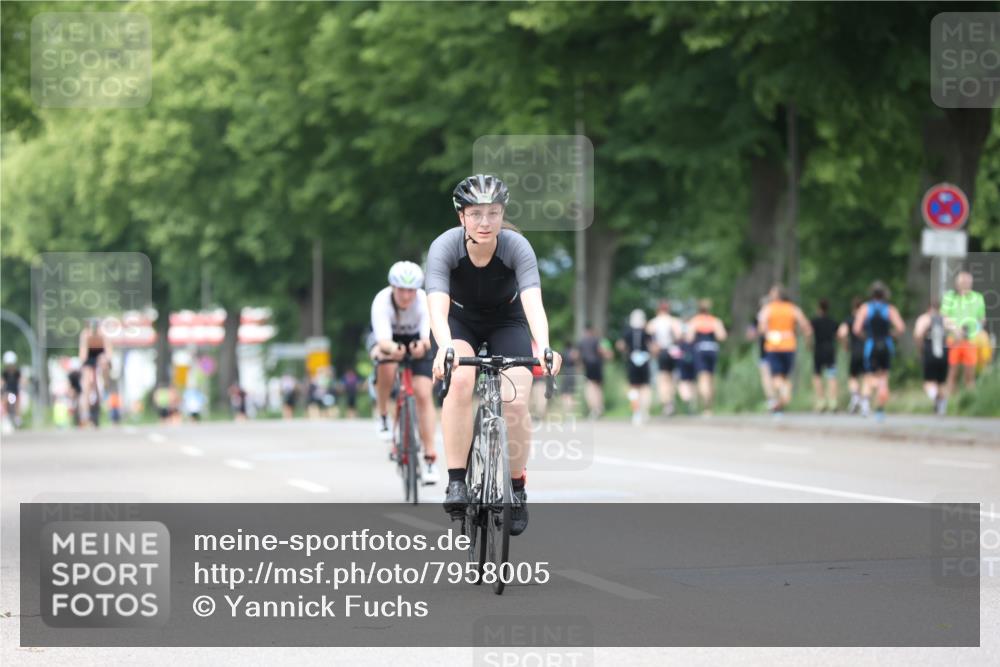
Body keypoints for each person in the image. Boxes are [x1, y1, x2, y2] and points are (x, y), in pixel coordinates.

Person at [427, 174, 561, 536]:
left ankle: (516, 487)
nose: (485, 222)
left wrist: (544, 346)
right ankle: (457, 480)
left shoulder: (517, 247)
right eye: (475, 214)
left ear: (503, 215)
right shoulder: (444, 247)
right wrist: (446, 347)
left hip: (507, 321)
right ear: (462, 217)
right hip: (458, 322)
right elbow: (436, 308)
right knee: (460, 381)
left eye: (493, 213)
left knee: (515, 400)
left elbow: (533, 302)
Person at [369, 260, 438, 484]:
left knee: (423, 393)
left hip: (418, 340)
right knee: (386, 364)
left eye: (411, 290)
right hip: (388, 339)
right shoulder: (382, 301)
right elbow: (382, 341)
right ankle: (382, 414)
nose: (406, 296)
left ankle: (430, 458)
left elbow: (428, 337)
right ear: (393, 287)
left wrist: (422, 346)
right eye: (401, 290)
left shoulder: (424, 301)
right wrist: (393, 349)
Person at [852, 281, 906, 421]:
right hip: (886, 345)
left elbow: (856, 329)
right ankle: (880, 410)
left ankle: (866, 402)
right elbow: (901, 328)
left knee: (869, 376)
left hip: (871, 345)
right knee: (884, 377)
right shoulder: (890, 309)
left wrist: (866, 336)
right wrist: (891, 334)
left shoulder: (865, 308)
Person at [759, 285, 812, 415]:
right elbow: (806, 326)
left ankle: (783, 392)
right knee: (785, 376)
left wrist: (769, 333)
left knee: (776, 377)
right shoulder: (793, 309)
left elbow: (762, 328)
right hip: (789, 345)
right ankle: (782, 400)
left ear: (776, 296)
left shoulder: (768, 309)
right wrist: (807, 341)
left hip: (773, 346)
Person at [941, 270, 987, 395]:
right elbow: (944, 317)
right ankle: (949, 399)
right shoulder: (950, 296)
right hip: (954, 340)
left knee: (970, 373)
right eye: (963, 280)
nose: (966, 283)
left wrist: (976, 331)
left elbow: (982, 320)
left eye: (968, 280)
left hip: (971, 340)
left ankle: (970, 398)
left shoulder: (978, 297)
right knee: (952, 371)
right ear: (957, 282)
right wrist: (955, 329)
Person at [686, 299, 727, 415]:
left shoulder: (695, 321)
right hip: (712, 349)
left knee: (703, 378)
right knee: (711, 378)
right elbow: (722, 336)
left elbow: (689, 338)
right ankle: (710, 406)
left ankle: (705, 404)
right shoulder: (715, 321)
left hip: (700, 350)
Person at [616, 309, 653, 425]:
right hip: (645, 360)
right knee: (645, 387)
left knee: (633, 388)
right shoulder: (646, 331)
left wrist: (626, 352)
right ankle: (645, 411)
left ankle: (636, 412)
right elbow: (652, 346)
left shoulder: (627, 332)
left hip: (632, 360)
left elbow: (621, 345)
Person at [913, 300, 950, 415]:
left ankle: (936, 397)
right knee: (941, 382)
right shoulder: (945, 319)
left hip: (929, 352)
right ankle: (942, 405)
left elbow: (918, 334)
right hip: (943, 353)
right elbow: (958, 334)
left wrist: (920, 349)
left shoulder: (924, 319)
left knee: (928, 382)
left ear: (928, 308)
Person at [647, 300, 682, 415]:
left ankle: (666, 404)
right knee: (672, 378)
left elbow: (648, 338)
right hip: (672, 350)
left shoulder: (654, 322)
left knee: (663, 379)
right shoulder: (673, 321)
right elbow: (679, 336)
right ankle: (670, 402)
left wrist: (654, 348)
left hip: (661, 351)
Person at [78, 319, 111, 427]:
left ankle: (104, 388)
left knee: (104, 368)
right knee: (86, 385)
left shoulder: (103, 335)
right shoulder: (85, 334)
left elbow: (108, 351)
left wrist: (106, 361)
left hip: (100, 358)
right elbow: (83, 352)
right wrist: (83, 364)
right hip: (89, 358)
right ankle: (85, 414)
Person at [809, 299, 840, 412]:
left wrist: (809, 345)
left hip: (818, 350)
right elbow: (839, 335)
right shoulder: (833, 322)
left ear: (819, 309)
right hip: (830, 350)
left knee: (817, 376)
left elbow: (808, 332)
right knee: (832, 376)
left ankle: (821, 401)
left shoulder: (814, 321)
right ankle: (833, 402)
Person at [837, 296, 865, 413]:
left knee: (853, 376)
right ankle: (864, 402)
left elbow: (841, 333)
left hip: (854, 351)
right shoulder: (866, 319)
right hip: (867, 351)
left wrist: (845, 345)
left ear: (853, 307)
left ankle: (855, 397)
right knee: (866, 377)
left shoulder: (849, 320)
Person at [577, 325, 612, 419]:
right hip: (597, 365)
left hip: (588, 366)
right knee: (598, 387)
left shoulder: (582, 342)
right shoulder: (598, 340)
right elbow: (605, 352)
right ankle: (599, 407)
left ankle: (594, 408)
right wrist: (606, 356)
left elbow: (578, 356)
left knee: (590, 387)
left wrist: (579, 366)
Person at [747, 295, 773, 409]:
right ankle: (775, 399)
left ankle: (771, 400)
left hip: (766, 350)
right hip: (779, 349)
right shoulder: (776, 315)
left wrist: (757, 331)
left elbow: (750, 334)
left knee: (766, 376)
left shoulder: (759, 317)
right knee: (775, 376)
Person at [2, 351, 22, 429]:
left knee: (17, 404)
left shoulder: (17, 373)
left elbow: (21, 381)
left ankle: (17, 418)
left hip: (15, 392)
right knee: (5, 401)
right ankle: (6, 417)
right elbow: (3, 382)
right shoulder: (5, 373)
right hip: (8, 392)